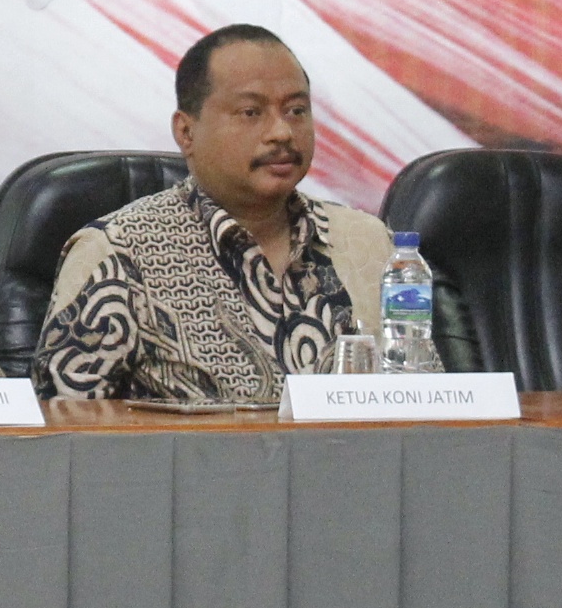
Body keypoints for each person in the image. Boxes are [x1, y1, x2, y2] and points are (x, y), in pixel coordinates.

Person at [34, 25, 393, 404]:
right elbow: (65, 437)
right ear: (186, 132)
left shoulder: (368, 243)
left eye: (297, 110)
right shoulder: (117, 255)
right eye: (251, 112)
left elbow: (422, 407)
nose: (282, 132)